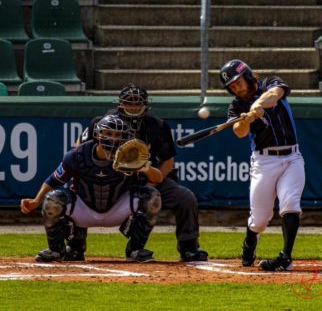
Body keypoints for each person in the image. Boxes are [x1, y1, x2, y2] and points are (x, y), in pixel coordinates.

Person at [79, 83, 208, 262]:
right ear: (120, 104)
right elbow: (81, 149)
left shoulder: (158, 125)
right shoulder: (103, 121)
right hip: (111, 178)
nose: (133, 107)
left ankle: (188, 248)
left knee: (185, 198)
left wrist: (150, 185)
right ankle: (75, 246)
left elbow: (167, 162)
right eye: (128, 103)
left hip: (146, 176)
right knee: (77, 190)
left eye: (137, 103)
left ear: (145, 105)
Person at [20, 115, 163, 263]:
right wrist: (36, 201)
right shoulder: (77, 155)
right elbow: (54, 179)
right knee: (53, 200)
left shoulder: (130, 156)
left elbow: (157, 178)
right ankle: (57, 250)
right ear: (97, 134)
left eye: (117, 135)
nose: (112, 138)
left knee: (152, 197)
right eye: (108, 133)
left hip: (118, 208)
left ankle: (135, 250)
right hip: (84, 208)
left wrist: (145, 167)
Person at [219, 59, 305, 271]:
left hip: (292, 157)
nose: (236, 88)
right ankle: (250, 239)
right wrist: (246, 118)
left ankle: (285, 257)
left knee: (290, 203)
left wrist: (258, 105)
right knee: (259, 219)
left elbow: (276, 94)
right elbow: (239, 132)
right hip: (264, 161)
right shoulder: (237, 106)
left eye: (238, 82)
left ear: (247, 76)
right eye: (231, 86)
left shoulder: (269, 84)